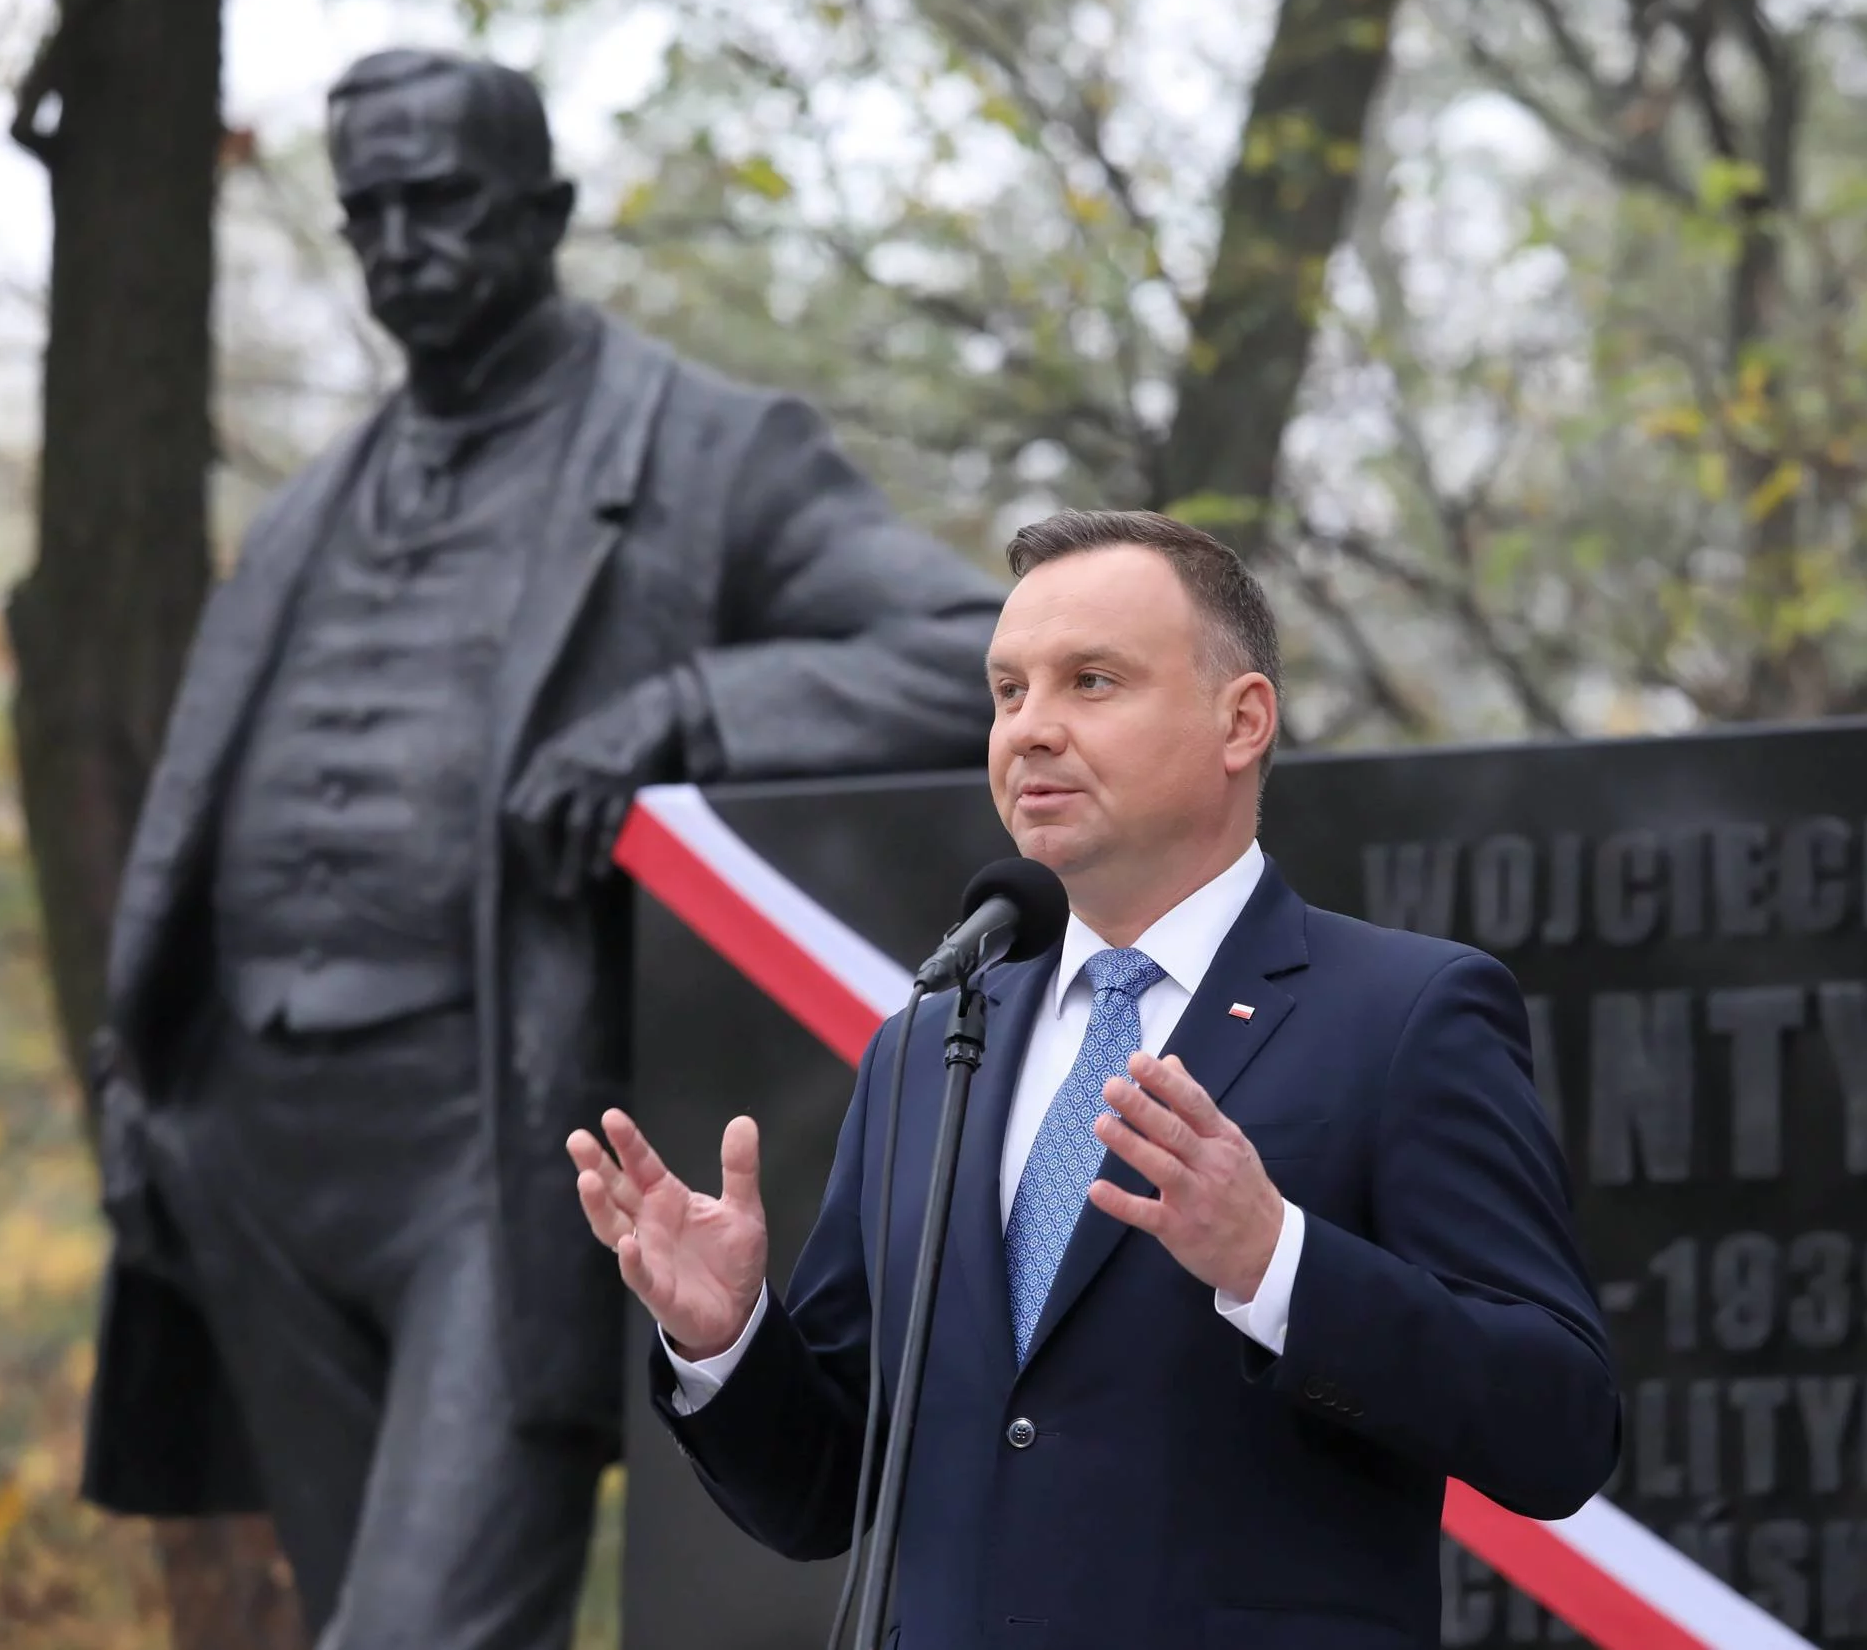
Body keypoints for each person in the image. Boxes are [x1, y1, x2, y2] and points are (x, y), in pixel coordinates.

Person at [78, 49, 1001, 1650]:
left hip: (493, 1153)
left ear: (548, 211)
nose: (395, 245)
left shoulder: (708, 457)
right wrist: (146, 1089)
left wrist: (693, 708)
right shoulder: (311, 509)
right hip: (257, 1159)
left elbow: (967, 646)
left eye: (438, 201)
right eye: (365, 209)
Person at [568, 510, 1620, 1648]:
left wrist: (1277, 1261)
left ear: (1241, 720)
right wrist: (726, 1340)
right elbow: (825, 1491)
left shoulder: (1403, 1014)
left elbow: (1556, 1427)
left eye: (1091, 681)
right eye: (1007, 690)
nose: (1031, 730)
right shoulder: (930, 1041)